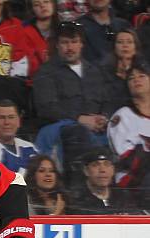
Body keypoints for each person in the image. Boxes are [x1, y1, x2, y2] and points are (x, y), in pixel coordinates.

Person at [33, 21, 110, 175]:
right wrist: (79, 119)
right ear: (57, 45)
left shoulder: (95, 71)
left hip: (96, 131)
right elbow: (46, 108)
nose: (70, 47)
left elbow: (107, 100)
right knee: (76, 132)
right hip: (60, 130)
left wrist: (104, 118)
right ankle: (76, 185)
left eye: (74, 42)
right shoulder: (46, 71)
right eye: (65, 42)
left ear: (82, 44)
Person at [107, 60, 150, 190]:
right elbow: (127, 159)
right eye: (131, 78)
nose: (136, 80)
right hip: (133, 180)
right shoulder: (122, 116)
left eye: (141, 76)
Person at [0, 100, 38, 176]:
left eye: (11, 117)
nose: (7, 122)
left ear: (19, 121)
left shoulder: (30, 147)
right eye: (1, 117)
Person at [68, 147, 129, 212]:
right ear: (86, 170)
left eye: (107, 164)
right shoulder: (77, 202)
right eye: (95, 165)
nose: (102, 170)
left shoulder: (123, 197)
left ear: (113, 170)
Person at [99, 27, 141, 115]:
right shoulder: (102, 73)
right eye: (120, 42)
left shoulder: (144, 72)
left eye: (129, 42)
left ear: (135, 48)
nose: (125, 45)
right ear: (114, 47)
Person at [23, 0, 60, 75]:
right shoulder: (25, 32)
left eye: (46, 1)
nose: (42, 6)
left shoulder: (62, 30)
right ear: (32, 10)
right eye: (37, 4)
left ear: (53, 4)